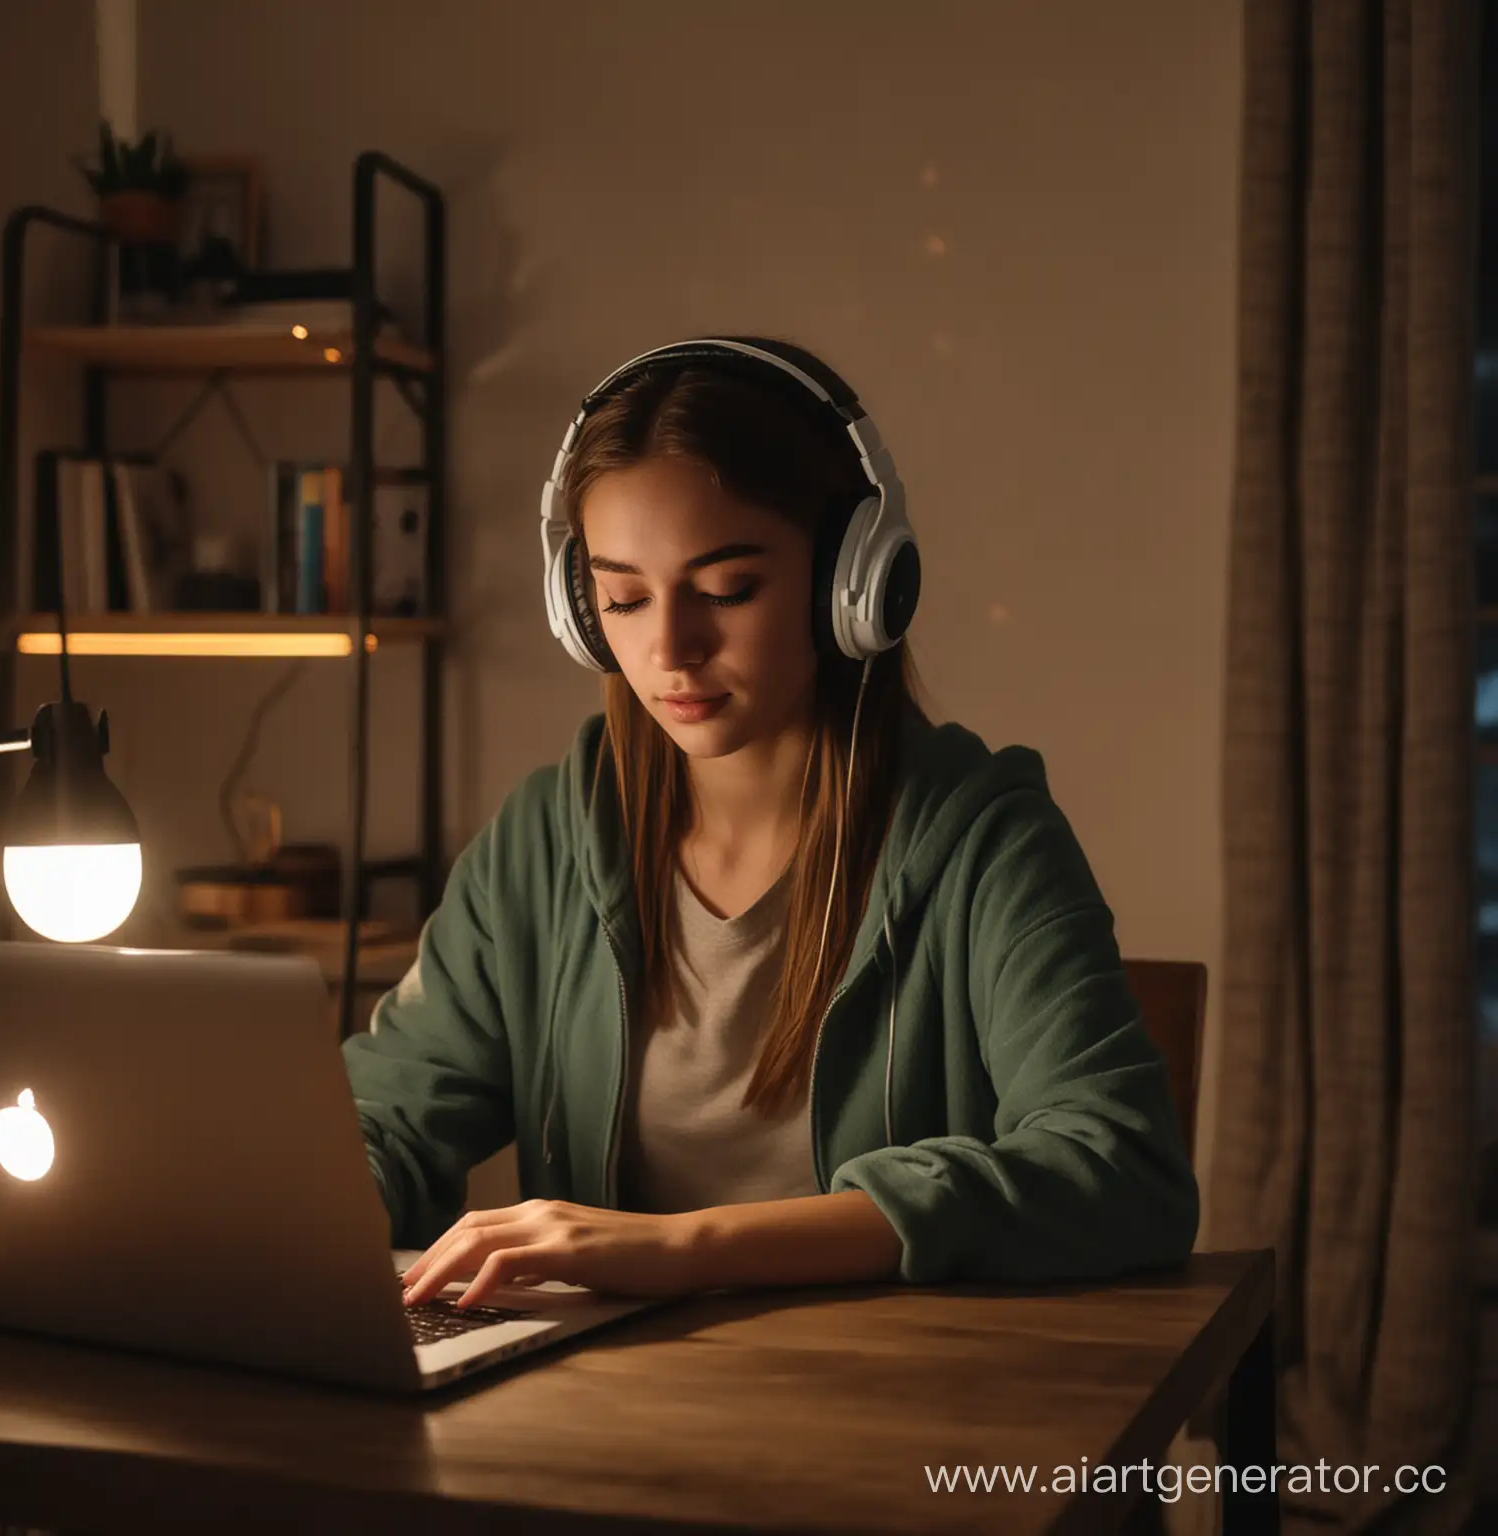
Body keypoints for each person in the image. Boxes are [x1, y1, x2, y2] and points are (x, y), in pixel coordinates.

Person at [343, 336, 1200, 1310]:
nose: (669, 646)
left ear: (854, 582)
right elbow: (390, 1116)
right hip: (601, 1411)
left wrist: (688, 1248)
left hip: (893, 1407)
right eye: (622, 597)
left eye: (725, 590)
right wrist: (306, 1205)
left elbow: (1123, 1170)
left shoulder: (982, 838)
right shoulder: (544, 837)